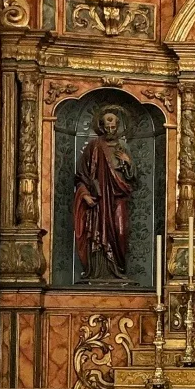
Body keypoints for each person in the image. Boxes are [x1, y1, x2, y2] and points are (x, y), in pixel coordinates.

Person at [73, 109, 135, 280]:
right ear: (101, 126)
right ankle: (98, 272)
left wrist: (128, 163)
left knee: (120, 232)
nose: (110, 128)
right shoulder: (94, 147)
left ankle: (119, 268)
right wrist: (85, 194)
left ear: (118, 126)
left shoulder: (123, 147)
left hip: (118, 196)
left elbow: (132, 177)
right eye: (107, 124)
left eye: (113, 124)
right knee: (98, 233)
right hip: (99, 199)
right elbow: (81, 175)